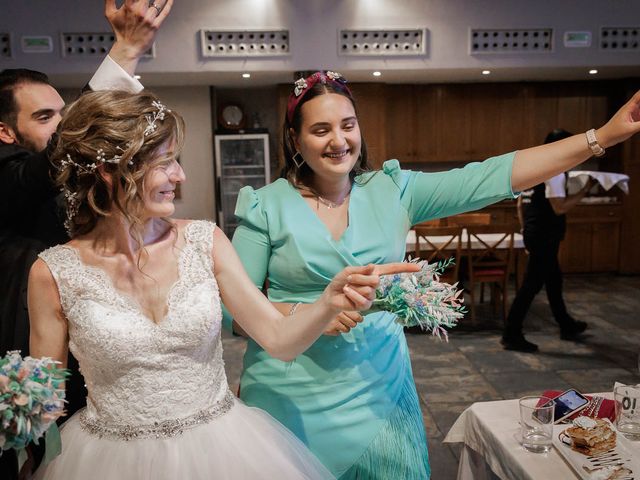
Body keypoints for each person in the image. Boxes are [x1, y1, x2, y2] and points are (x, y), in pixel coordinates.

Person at [226, 71, 640, 479]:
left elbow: (492, 176)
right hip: (290, 395)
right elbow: (232, 313)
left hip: (377, 391)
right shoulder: (265, 206)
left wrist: (601, 137)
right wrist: (310, 312)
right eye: (320, 129)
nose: (339, 140)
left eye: (347, 125)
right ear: (296, 139)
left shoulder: (393, 190)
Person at [28, 89, 416, 479]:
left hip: (220, 450)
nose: (179, 176)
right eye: (164, 163)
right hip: (107, 461)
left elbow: (280, 340)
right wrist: (16, 408)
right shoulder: (53, 273)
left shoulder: (205, 241)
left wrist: (328, 301)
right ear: (111, 172)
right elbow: (43, 400)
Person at [0, 1, 172, 476]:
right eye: (44, 117)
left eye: (63, 114)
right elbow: (62, 152)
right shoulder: (9, 176)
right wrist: (126, 50)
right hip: (35, 371)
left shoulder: (82, 182)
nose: (61, 126)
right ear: (5, 131)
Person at [501, 129, 596, 352]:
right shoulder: (555, 172)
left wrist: (526, 231)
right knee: (531, 285)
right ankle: (511, 333)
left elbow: (519, 203)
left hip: (536, 232)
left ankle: (566, 325)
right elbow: (559, 207)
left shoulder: (536, 168)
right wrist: (585, 190)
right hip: (545, 236)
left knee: (554, 281)